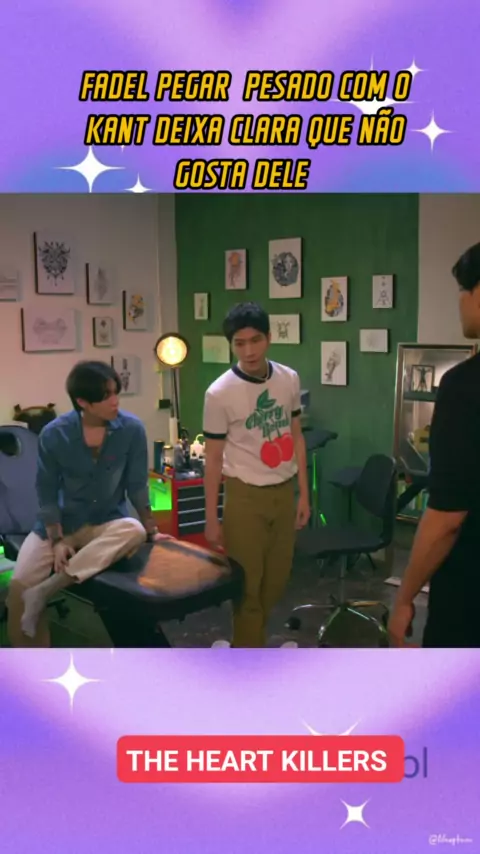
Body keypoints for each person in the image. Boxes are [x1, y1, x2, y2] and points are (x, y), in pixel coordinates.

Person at [7, 360, 169, 647]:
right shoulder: (54, 434)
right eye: (106, 396)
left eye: (116, 392)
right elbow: (46, 491)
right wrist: (57, 540)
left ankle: (46, 590)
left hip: (107, 521)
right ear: (83, 402)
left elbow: (136, 487)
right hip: (60, 524)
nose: (115, 401)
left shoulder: (131, 429)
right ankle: (31, 663)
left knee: (133, 530)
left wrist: (152, 530)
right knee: (19, 585)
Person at [202, 302, 310, 648]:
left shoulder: (288, 379)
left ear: (269, 338)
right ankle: (250, 661)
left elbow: (296, 436)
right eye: (239, 343)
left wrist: (304, 494)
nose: (248, 351)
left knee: (275, 583)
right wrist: (211, 518)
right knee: (247, 589)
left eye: (255, 340)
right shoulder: (219, 393)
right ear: (231, 345)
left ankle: (246, 648)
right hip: (244, 496)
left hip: (284, 491)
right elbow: (213, 458)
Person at [388, 242, 480, 648]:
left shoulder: (465, 387)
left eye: (462, 290)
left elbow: (446, 519)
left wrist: (405, 597)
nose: (459, 303)